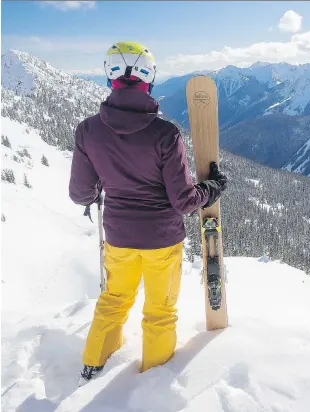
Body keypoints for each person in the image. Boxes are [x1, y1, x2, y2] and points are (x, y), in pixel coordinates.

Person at [68, 41, 228, 383]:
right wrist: (211, 188)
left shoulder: (87, 131)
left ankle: (93, 363)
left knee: (114, 298)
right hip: (161, 239)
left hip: (119, 237)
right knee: (160, 310)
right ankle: (152, 381)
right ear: (149, 80)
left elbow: (81, 192)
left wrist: (101, 186)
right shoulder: (165, 134)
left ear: (110, 78)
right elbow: (184, 201)